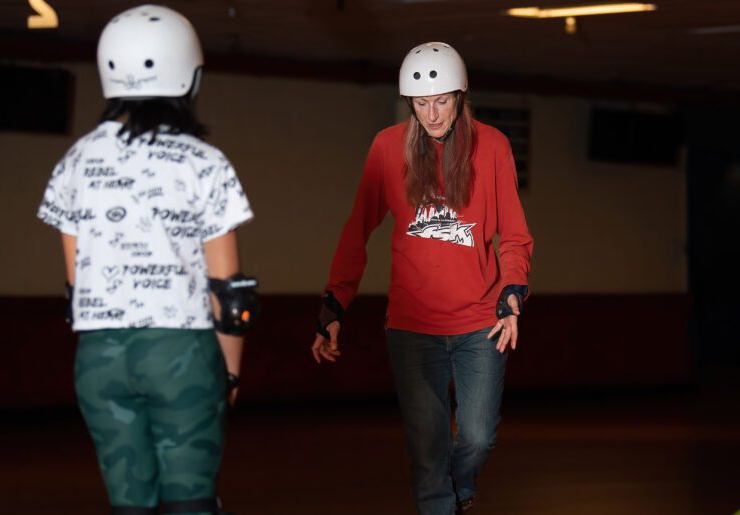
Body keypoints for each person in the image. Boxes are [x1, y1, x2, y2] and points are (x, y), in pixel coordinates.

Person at [37, 5, 257, 514]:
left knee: (129, 506)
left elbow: (78, 287)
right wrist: (228, 376)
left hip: (99, 358)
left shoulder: (77, 160)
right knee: (190, 503)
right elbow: (228, 293)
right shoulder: (204, 162)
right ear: (189, 74)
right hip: (180, 355)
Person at [310, 42, 534, 515]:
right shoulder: (387, 147)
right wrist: (335, 304)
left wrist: (512, 290)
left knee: (476, 437)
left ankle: (457, 490)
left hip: (480, 323)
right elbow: (357, 231)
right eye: (421, 103)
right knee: (428, 452)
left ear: (460, 95)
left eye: (442, 101)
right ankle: (444, 502)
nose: (432, 114)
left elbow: (513, 235)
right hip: (412, 328)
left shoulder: (491, 145)